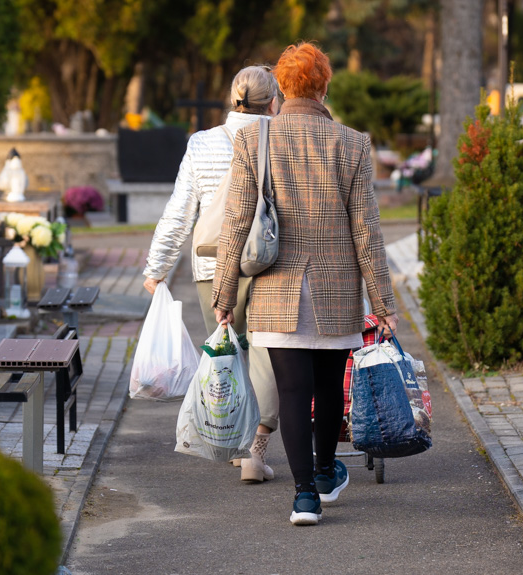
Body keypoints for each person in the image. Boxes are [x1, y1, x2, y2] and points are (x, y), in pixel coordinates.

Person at [212, 42, 398, 525]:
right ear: (324, 85)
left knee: (292, 392)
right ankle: (323, 473)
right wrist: (383, 301)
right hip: (337, 287)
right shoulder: (352, 143)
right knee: (329, 387)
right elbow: (367, 230)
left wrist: (224, 295)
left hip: (277, 288)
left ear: (280, 90)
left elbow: (235, 223)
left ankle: (303, 499)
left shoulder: (254, 141)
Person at [142, 66, 280, 483]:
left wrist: (157, 267)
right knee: (268, 357)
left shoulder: (201, 143)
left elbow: (179, 212)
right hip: (271, 262)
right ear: (273, 101)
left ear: (232, 99)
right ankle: (255, 450)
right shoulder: (281, 139)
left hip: (212, 265)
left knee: (229, 354)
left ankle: (233, 443)